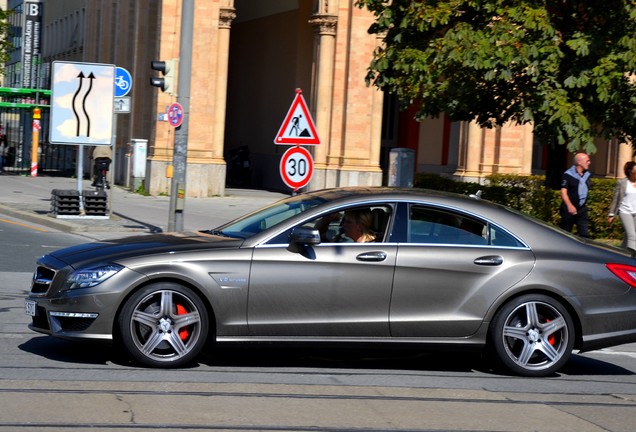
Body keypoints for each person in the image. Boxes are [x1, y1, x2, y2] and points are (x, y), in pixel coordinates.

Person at [560, 151, 592, 237]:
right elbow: (563, 192)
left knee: (585, 235)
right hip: (568, 210)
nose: (589, 163)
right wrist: (569, 206)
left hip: (582, 209)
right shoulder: (568, 175)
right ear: (579, 162)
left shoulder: (587, 175)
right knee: (565, 235)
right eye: (587, 161)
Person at [608, 161, 636, 251]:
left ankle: (622, 252)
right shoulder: (622, 182)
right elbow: (616, 198)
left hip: (635, 212)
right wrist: (611, 214)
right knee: (632, 235)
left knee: (629, 235)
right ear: (630, 171)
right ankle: (633, 256)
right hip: (625, 211)